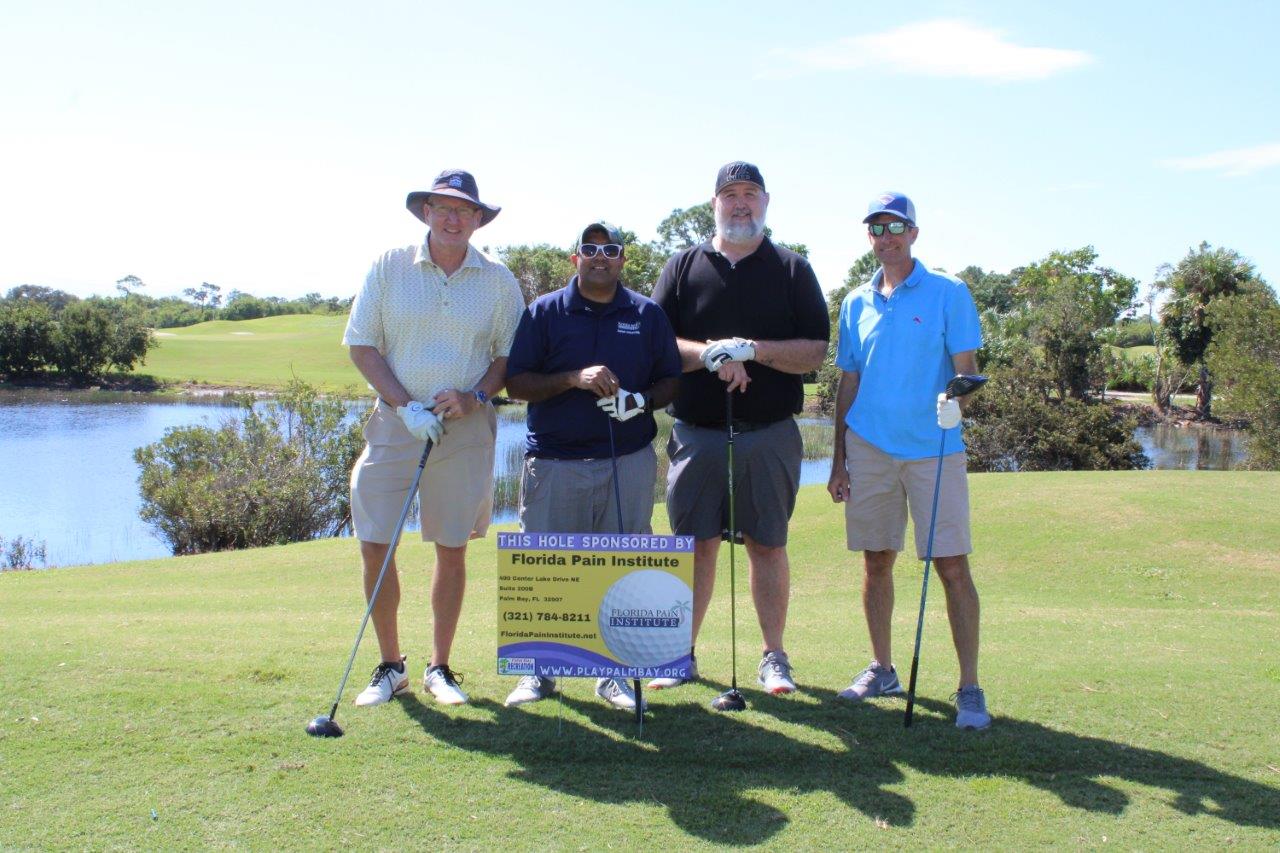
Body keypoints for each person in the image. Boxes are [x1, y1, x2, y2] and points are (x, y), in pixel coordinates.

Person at [343, 169, 524, 708]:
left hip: (465, 429)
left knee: (451, 548)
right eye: (442, 207)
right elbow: (361, 345)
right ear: (426, 212)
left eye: (463, 210)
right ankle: (389, 665)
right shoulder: (390, 266)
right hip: (395, 426)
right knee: (376, 542)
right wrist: (403, 404)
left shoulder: (498, 280)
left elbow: (508, 357)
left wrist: (476, 397)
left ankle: (439, 667)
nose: (451, 218)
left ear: (476, 219)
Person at [650, 162, 828, 695]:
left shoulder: (792, 268)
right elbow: (656, 346)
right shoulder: (682, 267)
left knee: (766, 544)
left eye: (750, 193)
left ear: (766, 201)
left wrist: (754, 351)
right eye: (731, 195)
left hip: (770, 431)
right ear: (715, 204)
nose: (741, 203)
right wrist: (711, 355)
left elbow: (815, 351)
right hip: (698, 432)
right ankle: (678, 654)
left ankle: (774, 658)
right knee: (694, 545)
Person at [826, 191, 991, 730]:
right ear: (869, 237)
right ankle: (882, 669)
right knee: (876, 560)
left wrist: (954, 404)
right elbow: (848, 380)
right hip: (869, 446)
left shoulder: (949, 291)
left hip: (933, 450)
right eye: (877, 228)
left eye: (896, 226)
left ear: (914, 233)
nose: (887, 236)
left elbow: (965, 371)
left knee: (951, 565)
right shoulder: (854, 302)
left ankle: (969, 687)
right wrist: (838, 458)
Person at [501, 222, 681, 710]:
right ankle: (540, 673)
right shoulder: (545, 312)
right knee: (547, 568)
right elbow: (517, 383)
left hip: (628, 462)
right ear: (575, 259)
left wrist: (639, 402)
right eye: (590, 249)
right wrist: (572, 379)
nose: (600, 256)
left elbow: (671, 380)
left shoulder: (647, 314)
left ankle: (615, 675)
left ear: (623, 259)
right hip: (555, 461)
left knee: (622, 568)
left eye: (611, 249)